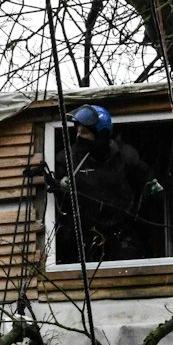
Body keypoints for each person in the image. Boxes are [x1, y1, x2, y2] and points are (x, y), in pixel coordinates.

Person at [48, 104, 164, 262]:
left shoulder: (126, 156)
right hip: (84, 235)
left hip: (122, 231)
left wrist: (152, 186)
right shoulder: (68, 159)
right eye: (78, 131)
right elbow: (58, 199)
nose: (79, 136)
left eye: (85, 132)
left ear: (101, 134)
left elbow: (149, 183)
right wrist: (59, 184)